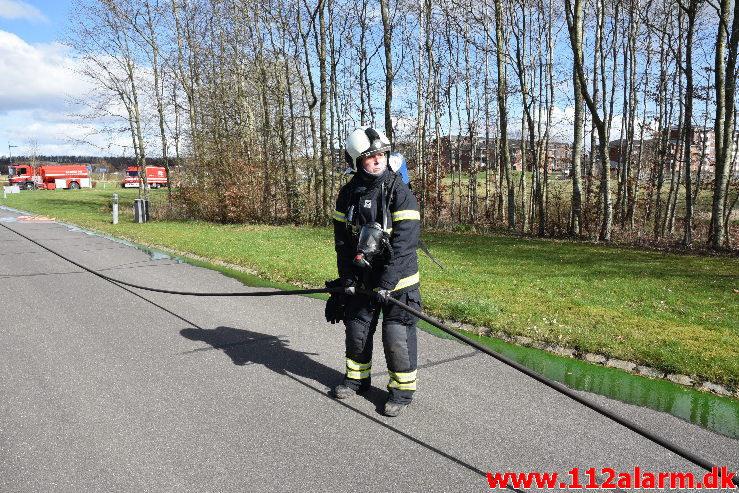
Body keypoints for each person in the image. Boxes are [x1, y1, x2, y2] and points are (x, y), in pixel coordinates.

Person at [325, 126, 422, 417]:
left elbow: (405, 243)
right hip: (363, 277)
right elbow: (342, 242)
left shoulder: (399, 192)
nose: (377, 160)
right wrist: (348, 280)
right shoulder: (348, 194)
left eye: (381, 154)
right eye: (369, 157)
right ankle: (356, 379)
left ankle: (401, 393)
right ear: (356, 162)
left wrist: (388, 282)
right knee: (357, 329)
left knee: (396, 338)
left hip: (398, 281)